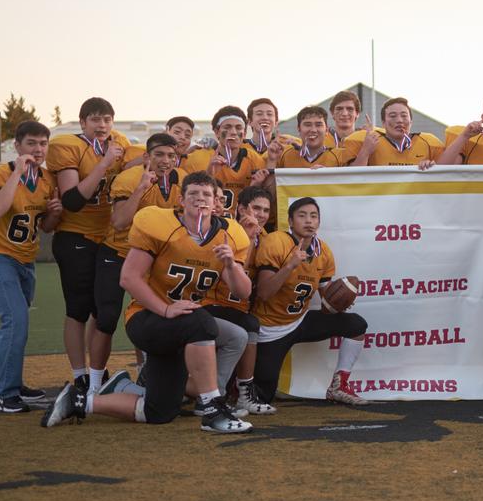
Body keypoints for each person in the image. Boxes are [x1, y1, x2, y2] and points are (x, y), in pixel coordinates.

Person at [42, 171, 254, 433]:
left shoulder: (230, 235)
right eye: (194, 194)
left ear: (216, 201)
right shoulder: (159, 224)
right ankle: (212, 407)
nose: (200, 199)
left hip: (181, 324)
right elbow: (129, 278)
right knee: (202, 321)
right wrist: (165, 309)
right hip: (147, 318)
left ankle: (79, 401)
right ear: (181, 199)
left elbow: (243, 291)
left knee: (158, 411)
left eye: (207, 194)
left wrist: (231, 265)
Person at [46, 97, 129, 393]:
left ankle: (96, 370)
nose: (102, 125)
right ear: (83, 123)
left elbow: (141, 160)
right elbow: (72, 201)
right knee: (77, 310)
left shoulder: (118, 141)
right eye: (95, 119)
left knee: (100, 309)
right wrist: (105, 163)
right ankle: (79, 373)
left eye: (107, 119)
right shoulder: (67, 145)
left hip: (106, 239)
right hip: (74, 236)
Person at [0, 121, 63, 412]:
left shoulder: (48, 179)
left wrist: (53, 214)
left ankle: (9, 383)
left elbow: (48, 228)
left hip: (26, 260)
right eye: (31, 143)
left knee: (18, 324)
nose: (38, 150)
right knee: (15, 321)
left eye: (43, 144)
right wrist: (17, 171)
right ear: (17, 146)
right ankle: (5, 393)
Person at [251, 197, 369, 406]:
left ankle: (338, 386)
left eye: (314, 216)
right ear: (290, 220)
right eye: (302, 215)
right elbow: (264, 293)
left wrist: (338, 301)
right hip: (269, 328)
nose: (309, 221)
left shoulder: (323, 252)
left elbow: (325, 298)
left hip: (300, 320)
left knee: (356, 324)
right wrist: (290, 266)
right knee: (263, 397)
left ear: (319, 222)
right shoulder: (276, 241)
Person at [91, 133, 187, 384]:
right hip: (118, 253)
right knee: (107, 318)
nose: (165, 160)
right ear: (147, 156)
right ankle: (93, 383)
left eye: (171, 156)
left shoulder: (182, 181)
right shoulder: (130, 178)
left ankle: (147, 375)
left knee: (147, 316)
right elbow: (120, 221)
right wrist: (142, 188)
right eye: (159, 154)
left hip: (152, 260)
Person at [202, 186, 276, 415]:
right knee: (249, 326)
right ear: (242, 209)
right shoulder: (224, 228)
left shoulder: (266, 237)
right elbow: (236, 271)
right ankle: (234, 394)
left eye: (266, 210)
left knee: (250, 324)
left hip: (238, 305)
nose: (261, 214)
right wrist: (247, 237)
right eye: (256, 208)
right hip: (211, 302)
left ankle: (236, 392)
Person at [182, 106, 268, 216]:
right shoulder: (197, 158)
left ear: (245, 132)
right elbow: (188, 199)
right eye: (227, 127)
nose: (233, 132)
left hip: (241, 225)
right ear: (217, 132)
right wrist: (208, 175)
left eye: (238, 128)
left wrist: (255, 186)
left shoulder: (254, 159)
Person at [346, 98, 443, 169]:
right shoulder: (370, 141)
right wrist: (365, 151)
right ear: (383, 123)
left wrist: (431, 167)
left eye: (404, 116)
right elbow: (352, 178)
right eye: (393, 116)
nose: (399, 120)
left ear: (411, 121)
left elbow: (445, 175)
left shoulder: (428, 142)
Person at [266, 106, 353, 170]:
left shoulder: (340, 156)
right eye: (307, 125)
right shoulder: (283, 155)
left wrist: (328, 176)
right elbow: (273, 191)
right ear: (299, 129)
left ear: (326, 130)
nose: (313, 130)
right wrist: (271, 161)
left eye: (318, 125)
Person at [123, 116, 196, 169]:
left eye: (187, 135)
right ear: (167, 131)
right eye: (177, 132)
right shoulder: (140, 149)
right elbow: (126, 169)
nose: (182, 137)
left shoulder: (189, 161)